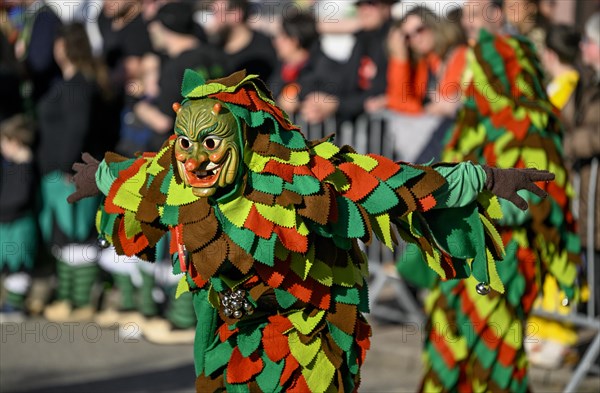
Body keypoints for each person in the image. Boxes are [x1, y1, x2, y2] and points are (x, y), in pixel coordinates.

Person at [68, 68, 554, 392]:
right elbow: (132, 177)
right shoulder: (172, 172)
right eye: (185, 143)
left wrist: (487, 178)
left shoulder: (303, 176)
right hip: (233, 327)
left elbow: (400, 183)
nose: (194, 159)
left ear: (239, 137)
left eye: (210, 143)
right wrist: (97, 177)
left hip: (309, 328)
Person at [404, 1, 580, 391]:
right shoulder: (472, 123)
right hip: (459, 255)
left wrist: (482, 200)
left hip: (503, 259)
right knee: (448, 349)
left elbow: (537, 201)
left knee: (496, 354)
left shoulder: (528, 126)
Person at [38, 23, 111, 322]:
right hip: (58, 174)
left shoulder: (79, 84)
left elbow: (77, 129)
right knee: (62, 237)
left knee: (77, 236)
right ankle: (69, 299)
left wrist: (70, 165)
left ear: (65, 47)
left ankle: (81, 301)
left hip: (72, 174)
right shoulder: (67, 82)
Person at [525, 23, 582, 369]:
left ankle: (562, 336)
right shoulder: (559, 86)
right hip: (547, 188)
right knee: (545, 257)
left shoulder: (570, 86)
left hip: (564, 188)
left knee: (562, 260)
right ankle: (542, 328)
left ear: (549, 53)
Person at [134, 1, 231, 152]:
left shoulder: (175, 67)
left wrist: (139, 107)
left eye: (155, 24)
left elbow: (163, 122)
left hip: (187, 153)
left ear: (166, 27)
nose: (150, 29)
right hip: (222, 144)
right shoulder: (218, 55)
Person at [300, 0, 396, 124]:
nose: (364, 10)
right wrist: (317, 99)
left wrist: (337, 105)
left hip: (389, 128)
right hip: (361, 126)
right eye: (360, 5)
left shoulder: (394, 40)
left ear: (387, 8)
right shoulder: (362, 39)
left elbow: (381, 92)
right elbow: (348, 82)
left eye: (371, 4)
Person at [564, 12, 600, 315]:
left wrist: (572, 143)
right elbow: (565, 119)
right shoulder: (587, 81)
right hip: (588, 195)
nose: (583, 47)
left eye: (589, 41)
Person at [0, 114, 37, 323]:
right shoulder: (11, 165)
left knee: (18, 266)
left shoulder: (24, 167)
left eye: (3, 142)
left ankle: (14, 307)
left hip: (19, 224)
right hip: (7, 223)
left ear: (15, 141)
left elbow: (20, 197)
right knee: (8, 264)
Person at [206, 0, 276, 81]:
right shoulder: (211, 49)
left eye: (218, 13)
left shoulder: (264, 51)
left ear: (236, 14)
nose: (213, 20)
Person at [269, 11, 321, 115]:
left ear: (294, 41)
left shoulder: (320, 67)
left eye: (281, 36)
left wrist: (298, 97)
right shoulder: (277, 67)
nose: (276, 41)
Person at [13, 0, 62, 106]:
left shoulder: (44, 16)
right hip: (44, 93)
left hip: (50, 95)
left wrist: (23, 57)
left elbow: (39, 62)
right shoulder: (32, 15)